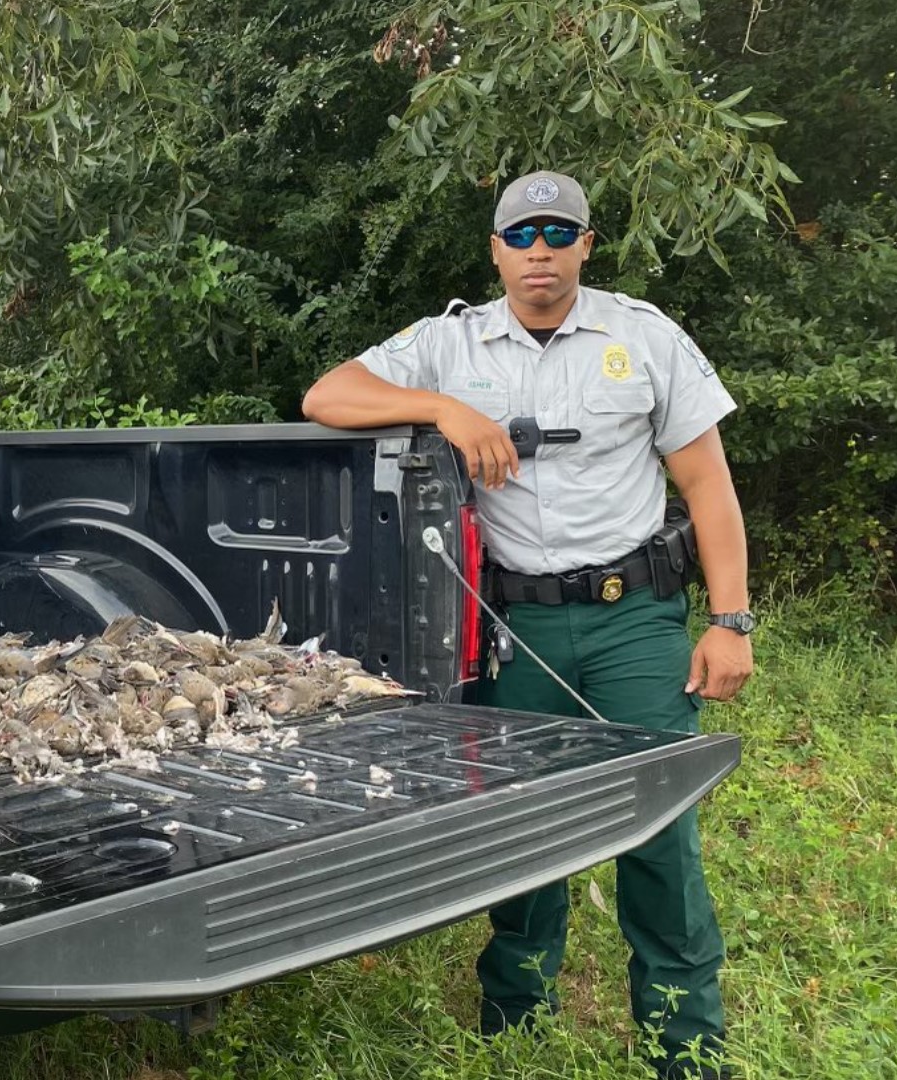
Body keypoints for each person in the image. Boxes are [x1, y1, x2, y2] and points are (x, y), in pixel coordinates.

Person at [301, 170, 752, 1080]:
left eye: (558, 232)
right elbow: (327, 396)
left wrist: (730, 620)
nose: (539, 250)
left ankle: (684, 1042)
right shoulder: (451, 344)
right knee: (525, 828)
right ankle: (516, 1020)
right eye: (522, 235)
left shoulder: (644, 336)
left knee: (656, 829)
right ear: (497, 250)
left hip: (635, 623)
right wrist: (440, 406)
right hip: (514, 630)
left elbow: (708, 484)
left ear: (586, 244)